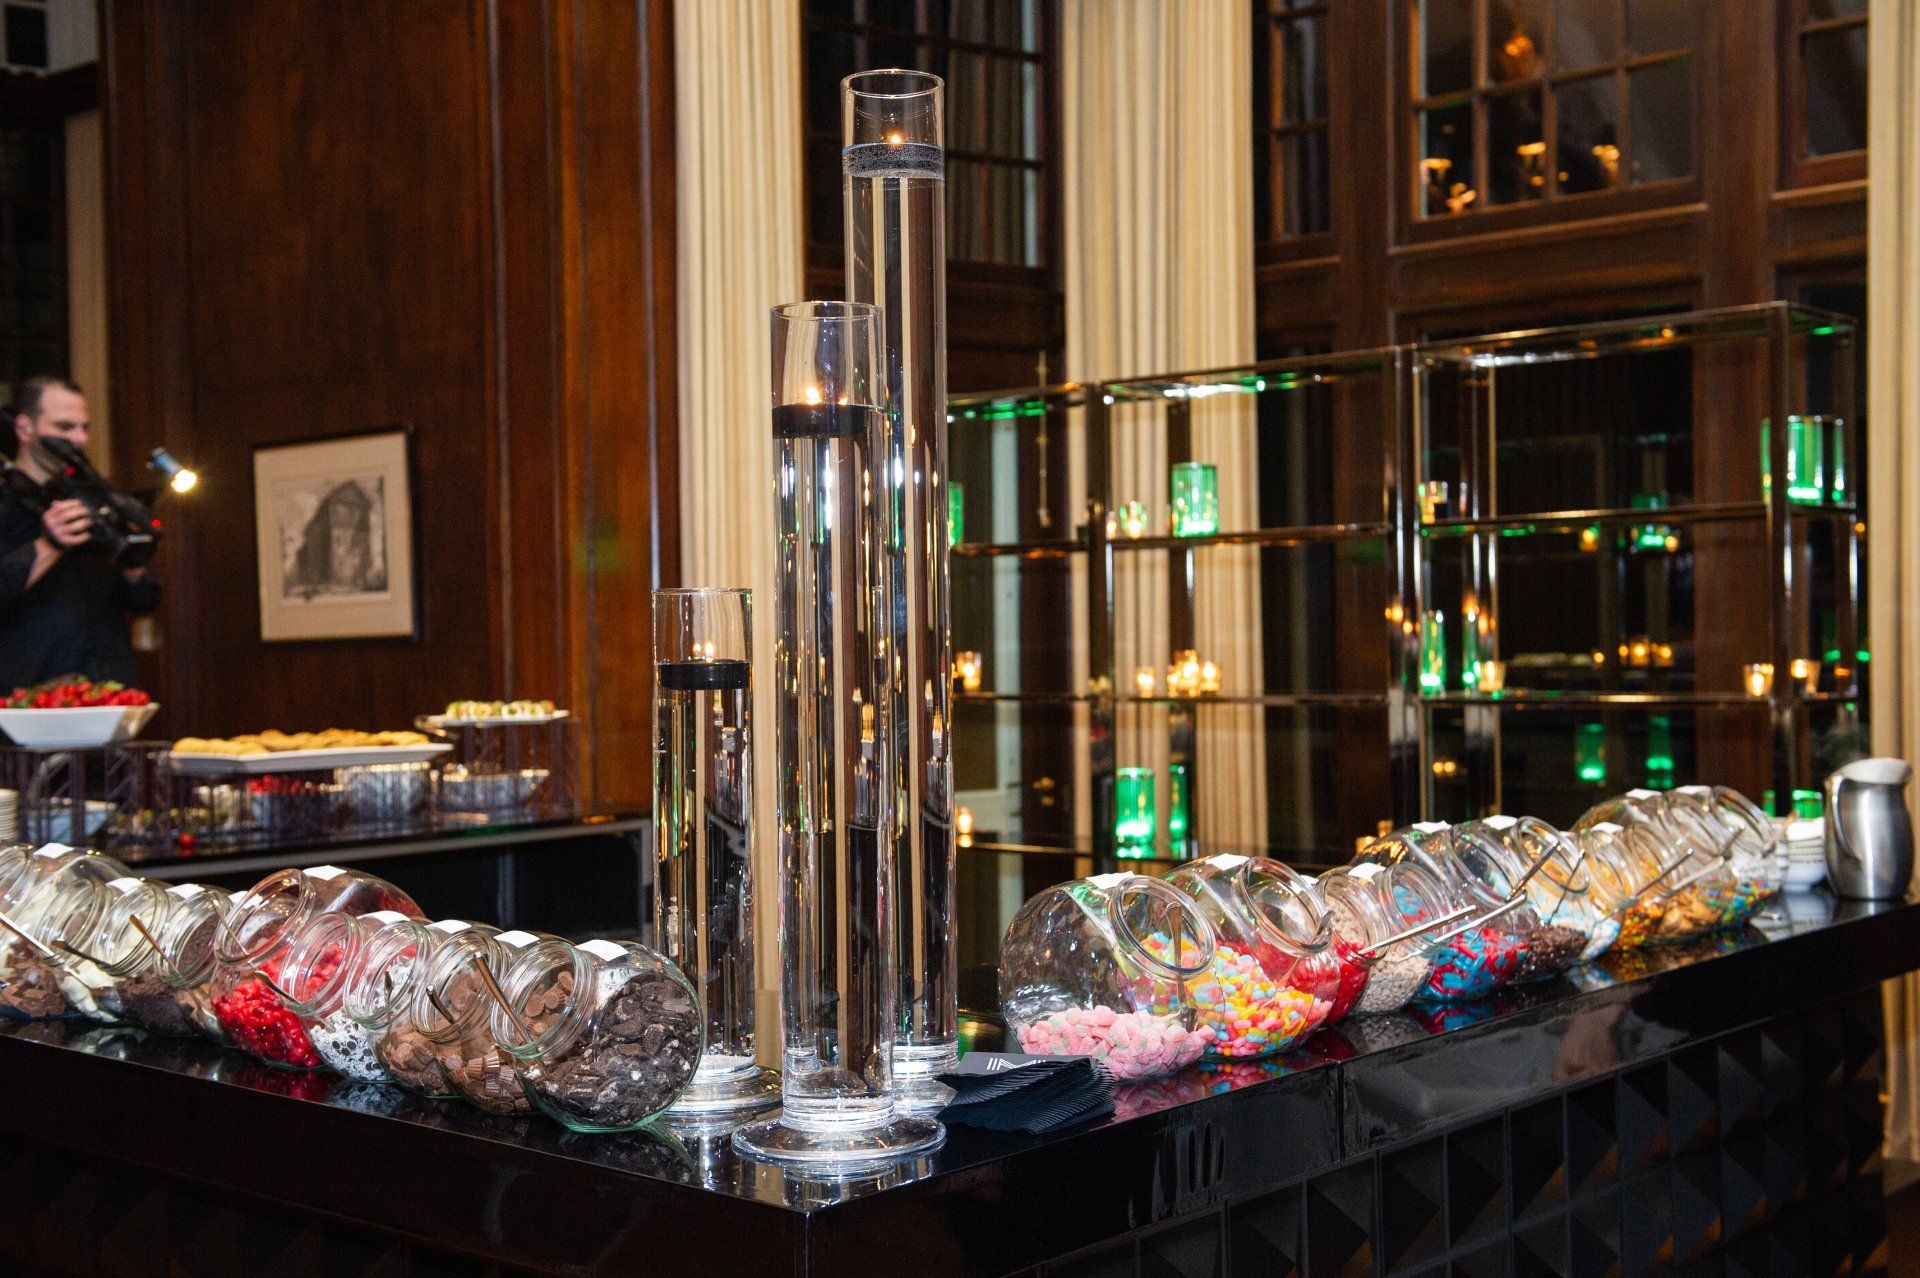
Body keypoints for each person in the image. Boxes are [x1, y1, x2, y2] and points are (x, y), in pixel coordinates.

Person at [0, 376, 162, 688]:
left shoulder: (93, 497)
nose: (79, 438)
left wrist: (135, 561)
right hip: (27, 700)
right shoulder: (5, 500)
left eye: (84, 427)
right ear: (24, 428)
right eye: (65, 427)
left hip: (108, 693)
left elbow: (143, 600)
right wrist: (49, 545)